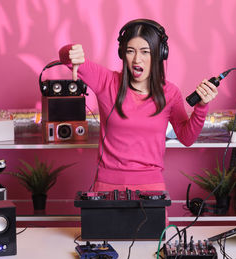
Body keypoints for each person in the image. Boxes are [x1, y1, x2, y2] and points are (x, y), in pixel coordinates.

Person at [59, 19, 218, 192]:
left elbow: (187, 139)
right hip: (107, 186)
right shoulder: (106, 81)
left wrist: (201, 107)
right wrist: (71, 51)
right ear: (122, 54)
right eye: (130, 51)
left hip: (152, 188)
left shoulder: (170, 93)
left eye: (145, 52)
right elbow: (66, 58)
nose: (137, 59)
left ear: (159, 54)